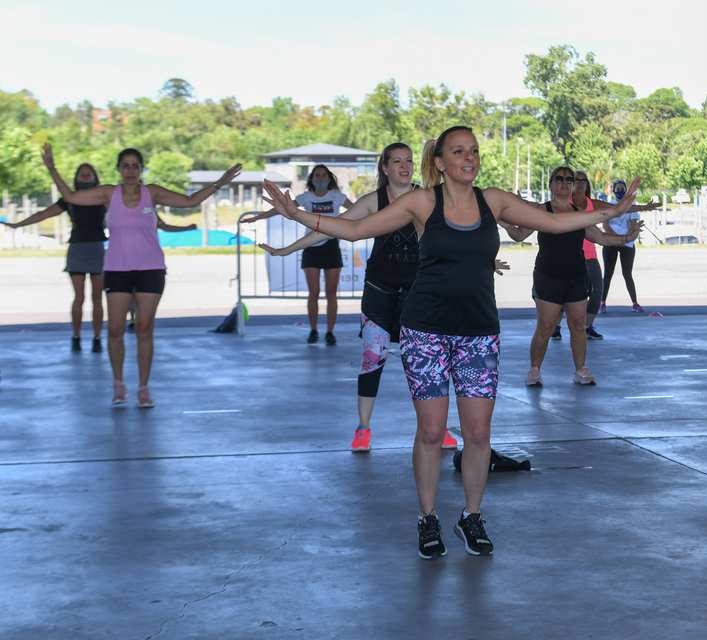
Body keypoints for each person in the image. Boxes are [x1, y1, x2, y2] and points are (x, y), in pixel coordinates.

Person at [261, 126, 640, 559]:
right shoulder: (423, 202)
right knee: (431, 431)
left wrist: (608, 213)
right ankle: (427, 518)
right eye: (459, 152)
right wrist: (299, 215)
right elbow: (358, 228)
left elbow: (553, 222)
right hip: (426, 331)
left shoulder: (493, 200)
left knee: (478, 433)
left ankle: (471, 515)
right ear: (440, 162)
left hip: (478, 331)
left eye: (474, 151)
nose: (469, 158)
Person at [259, 143, 463, 452]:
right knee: (373, 358)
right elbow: (333, 230)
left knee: (425, 364)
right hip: (379, 292)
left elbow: (455, 232)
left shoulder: (428, 199)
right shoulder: (373, 202)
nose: (405, 166)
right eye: (397, 161)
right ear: (385, 168)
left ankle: (437, 429)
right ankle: (363, 427)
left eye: (408, 161)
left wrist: (481, 260)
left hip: (418, 294)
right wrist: (288, 249)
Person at [42, 143, 240, 407]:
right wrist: (52, 168)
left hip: (150, 269)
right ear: (118, 169)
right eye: (126, 166)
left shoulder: (152, 193)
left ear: (141, 169)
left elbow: (190, 201)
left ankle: (144, 387)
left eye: (135, 165)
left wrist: (221, 182)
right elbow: (71, 197)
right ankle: (118, 384)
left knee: (145, 328)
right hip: (117, 269)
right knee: (114, 329)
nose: (131, 170)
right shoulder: (107, 194)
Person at [501, 167, 643, 387]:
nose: (565, 183)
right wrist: (501, 220)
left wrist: (628, 237)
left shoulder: (580, 214)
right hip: (548, 276)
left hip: (576, 276)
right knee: (546, 326)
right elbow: (519, 234)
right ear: (551, 184)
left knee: (578, 325)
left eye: (569, 179)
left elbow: (602, 238)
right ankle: (534, 370)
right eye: (559, 179)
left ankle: (580, 370)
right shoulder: (541, 210)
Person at [2, 163, 106, 353]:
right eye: (82, 173)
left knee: (97, 298)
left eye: (88, 173)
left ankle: (97, 338)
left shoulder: (104, 198)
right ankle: (76, 336)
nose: (85, 175)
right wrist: (19, 224)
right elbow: (44, 214)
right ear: (76, 177)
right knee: (79, 297)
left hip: (97, 249)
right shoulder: (69, 199)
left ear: (94, 177)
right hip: (77, 249)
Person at [244, 165, 353, 345]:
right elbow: (281, 209)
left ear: (329, 178)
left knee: (331, 294)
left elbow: (359, 210)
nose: (320, 178)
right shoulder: (305, 197)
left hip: (331, 246)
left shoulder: (337, 197)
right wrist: (258, 217)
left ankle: (330, 332)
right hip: (310, 247)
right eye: (317, 175)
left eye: (323, 175)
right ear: (312, 179)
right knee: (314, 293)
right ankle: (313, 330)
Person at [549, 171, 657, 340]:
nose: (580, 183)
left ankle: (587, 326)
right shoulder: (564, 204)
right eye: (576, 180)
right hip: (569, 255)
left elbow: (617, 210)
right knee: (565, 293)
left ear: (587, 184)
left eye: (583, 180)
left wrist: (644, 207)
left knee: (597, 291)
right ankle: (555, 327)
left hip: (590, 254)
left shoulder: (592, 204)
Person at [600, 179, 645, 313]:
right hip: (611, 242)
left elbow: (632, 225)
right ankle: (602, 303)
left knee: (627, 274)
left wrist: (626, 239)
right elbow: (605, 225)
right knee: (608, 273)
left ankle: (635, 303)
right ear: (613, 190)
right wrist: (617, 238)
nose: (620, 191)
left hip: (627, 243)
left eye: (622, 188)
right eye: (617, 188)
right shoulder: (609, 205)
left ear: (626, 190)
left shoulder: (631, 205)